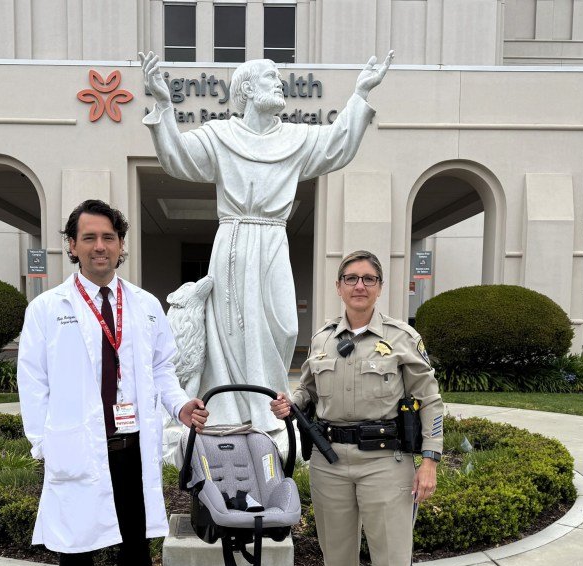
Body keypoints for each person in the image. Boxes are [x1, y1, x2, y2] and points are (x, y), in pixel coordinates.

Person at [140, 51, 393, 430]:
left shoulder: (294, 137)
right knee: (234, 330)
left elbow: (337, 143)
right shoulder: (221, 135)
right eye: (270, 78)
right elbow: (177, 158)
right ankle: (232, 410)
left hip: (274, 238)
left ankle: (270, 407)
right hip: (234, 241)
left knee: (284, 327)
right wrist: (164, 103)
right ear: (246, 90)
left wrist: (360, 93)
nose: (279, 84)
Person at [17, 199, 208, 566]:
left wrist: (180, 405)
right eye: (89, 238)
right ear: (72, 246)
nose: (99, 246)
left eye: (108, 237)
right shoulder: (47, 309)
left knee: (136, 554)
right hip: (79, 450)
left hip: (131, 448)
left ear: (121, 245)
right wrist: (44, 445)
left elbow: (163, 369)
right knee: (75, 554)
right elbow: (32, 383)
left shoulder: (144, 306)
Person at [269, 250, 443, 566]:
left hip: (385, 463)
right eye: (351, 278)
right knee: (337, 556)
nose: (359, 285)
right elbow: (307, 389)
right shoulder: (323, 339)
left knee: (392, 565)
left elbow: (430, 400)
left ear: (379, 287)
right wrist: (291, 403)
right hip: (329, 462)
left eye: (368, 278)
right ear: (339, 286)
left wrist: (430, 460)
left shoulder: (402, 338)